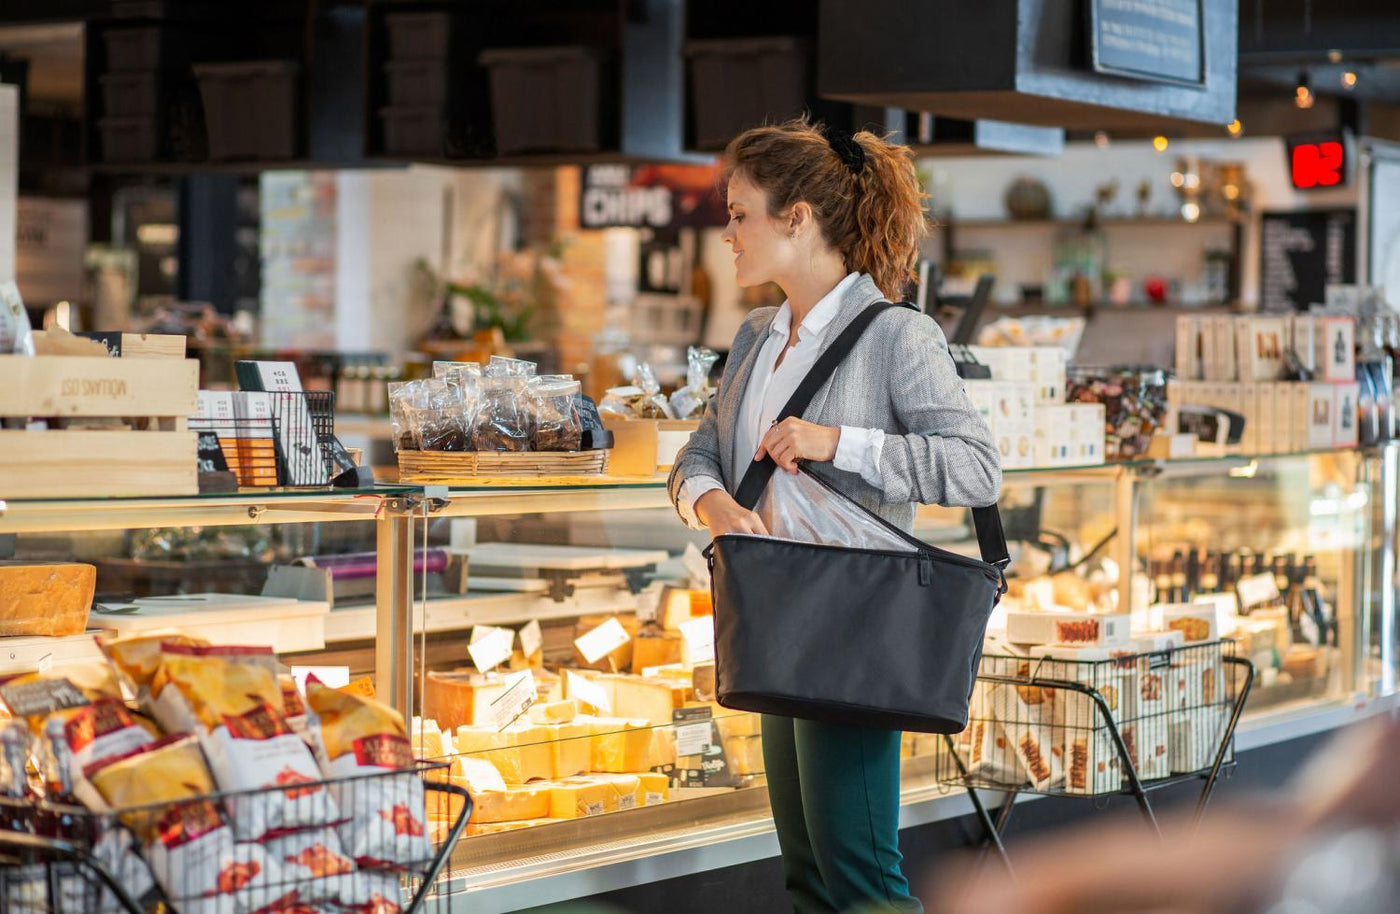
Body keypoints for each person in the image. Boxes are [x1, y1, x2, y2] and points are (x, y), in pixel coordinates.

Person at [667, 117, 1003, 914]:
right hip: (772, 611)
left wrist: (839, 442)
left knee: (862, 881)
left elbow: (975, 467)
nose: (728, 234)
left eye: (741, 213)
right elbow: (698, 453)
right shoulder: (755, 334)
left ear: (799, 219)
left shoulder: (897, 335)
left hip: (850, 620)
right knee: (809, 877)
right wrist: (711, 503)